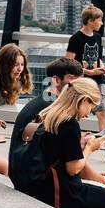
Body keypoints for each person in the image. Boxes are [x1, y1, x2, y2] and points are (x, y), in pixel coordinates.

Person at [24, 77, 105, 208]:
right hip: (67, 194)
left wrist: (79, 143)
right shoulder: (70, 124)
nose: (88, 114)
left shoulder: (50, 115)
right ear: (83, 100)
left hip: (47, 188)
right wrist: (89, 148)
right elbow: (73, 169)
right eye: (91, 107)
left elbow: (57, 152)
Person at [8, 57, 83, 187]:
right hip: (37, 182)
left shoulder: (42, 101)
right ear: (56, 80)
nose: (78, 85)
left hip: (21, 176)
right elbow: (71, 165)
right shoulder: (54, 110)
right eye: (72, 79)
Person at [66, 4, 105, 163]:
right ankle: (71, 144)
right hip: (82, 83)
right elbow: (69, 63)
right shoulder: (76, 39)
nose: (101, 23)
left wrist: (101, 67)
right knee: (76, 114)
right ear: (90, 21)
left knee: (102, 112)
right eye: (99, 20)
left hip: (98, 82)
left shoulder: (98, 38)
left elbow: (97, 58)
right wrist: (89, 72)